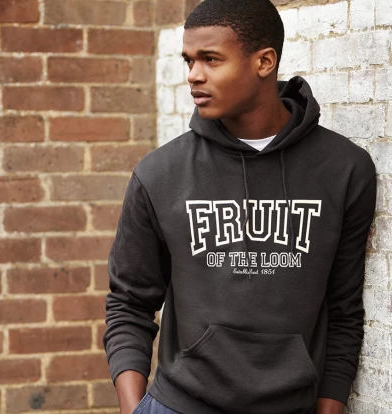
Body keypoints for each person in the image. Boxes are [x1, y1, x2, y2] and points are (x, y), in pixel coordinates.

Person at [103, 0, 377, 413]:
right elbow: (129, 303)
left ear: (264, 62)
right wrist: (134, 409)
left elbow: (343, 312)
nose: (194, 75)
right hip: (180, 404)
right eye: (189, 61)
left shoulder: (343, 169)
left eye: (211, 59)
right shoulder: (160, 174)